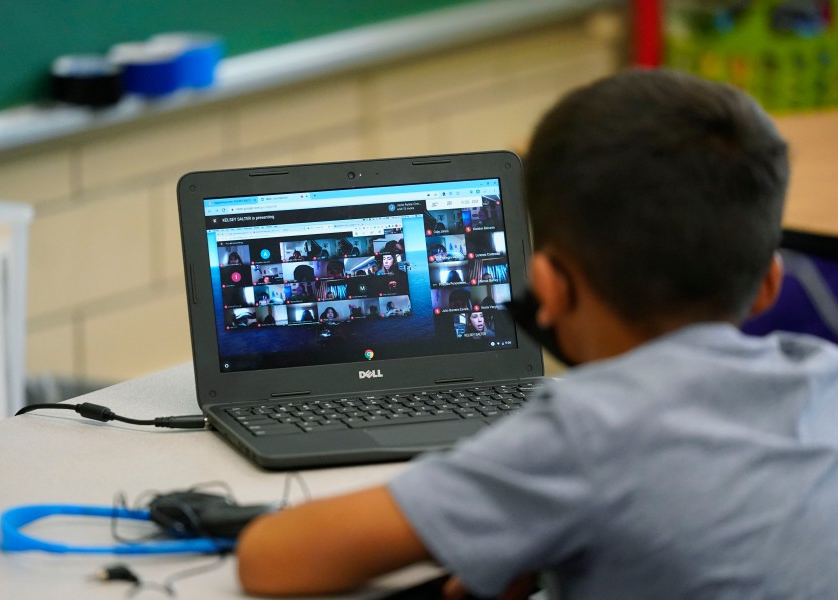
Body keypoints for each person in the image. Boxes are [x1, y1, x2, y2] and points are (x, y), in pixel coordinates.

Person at [236, 69, 838, 598]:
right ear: (769, 283)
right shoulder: (824, 377)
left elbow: (272, 559)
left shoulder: (585, 433)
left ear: (548, 285)